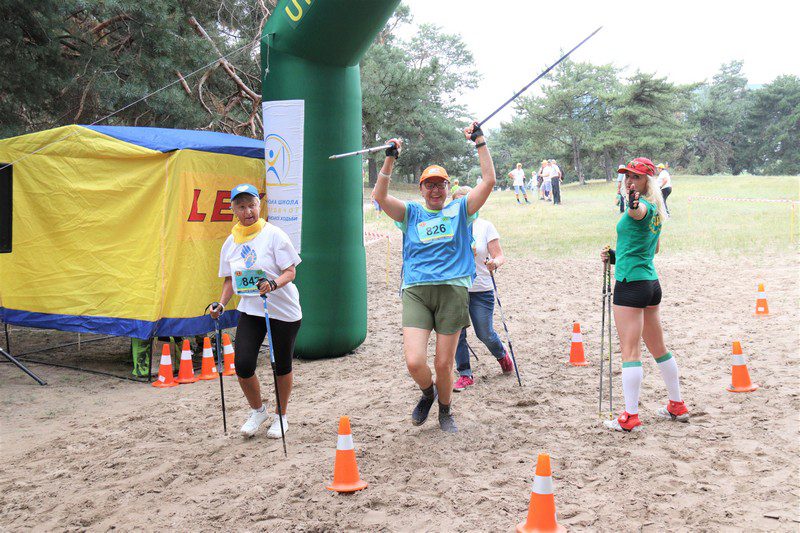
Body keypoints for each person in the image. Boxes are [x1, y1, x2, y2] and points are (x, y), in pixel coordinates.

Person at [372, 121, 496, 433]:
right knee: (415, 362)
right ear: (421, 189)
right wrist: (390, 158)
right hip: (416, 290)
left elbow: (489, 180)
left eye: (441, 184)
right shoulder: (411, 213)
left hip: (453, 290)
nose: (436, 189)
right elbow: (380, 195)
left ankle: (445, 410)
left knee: (443, 364)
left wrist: (479, 141)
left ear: (447, 187)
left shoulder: (461, 210)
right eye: (430, 184)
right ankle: (428, 393)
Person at [600, 157, 688, 433]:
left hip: (631, 284)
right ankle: (677, 404)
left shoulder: (642, 207)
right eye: (627, 175)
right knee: (658, 348)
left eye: (636, 177)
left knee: (630, 351)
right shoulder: (657, 210)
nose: (629, 180)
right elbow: (653, 249)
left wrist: (634, 203)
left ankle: (630, 417)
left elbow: (637, 213)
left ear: (647, 181)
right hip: (650, 283)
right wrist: (616, 256)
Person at [210, 184, 303, 439]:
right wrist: (220, 303)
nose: (247, 210)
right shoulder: (231, 242)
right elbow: (229, 280)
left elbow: (291, 271)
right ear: (234, 210)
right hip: (252, 309)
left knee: (281, 366)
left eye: (251, 204)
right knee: (242, 364)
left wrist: (273, 284)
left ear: (258, 205)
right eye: (241, 206)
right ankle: (258, 410)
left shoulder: (274, 235)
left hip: (283, 310)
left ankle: (281, 416)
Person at [449, 186, 514, 391]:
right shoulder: (449, 226)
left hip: (481, 289)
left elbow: (500, 255)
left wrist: (494, 263)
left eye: (466, 202)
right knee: (457, 333)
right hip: (456, 289)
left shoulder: (485, 226)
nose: (462, 206)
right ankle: (465, 373)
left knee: (484, 332)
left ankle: (502, 355)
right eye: (457, 203)